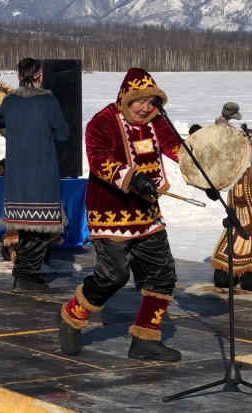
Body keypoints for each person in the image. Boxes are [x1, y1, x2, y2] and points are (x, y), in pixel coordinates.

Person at [57, 67, 183, 362]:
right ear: (125, 98)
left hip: (147, 213)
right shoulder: (101, 122)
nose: (144, 108)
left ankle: (144, 338)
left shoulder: (155, 120)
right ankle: (72, 316)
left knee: (162, 274)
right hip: (110, 210)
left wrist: (197, 158)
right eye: (139, 101)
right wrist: (132, 177)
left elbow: (174, 146)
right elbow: (99, 159)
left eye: (151, 102)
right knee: (113, 276)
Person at [0, 58, 69, 293]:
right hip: (41, 171)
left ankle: (28, 275)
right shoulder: (48, 101)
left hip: (17, 174)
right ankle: (25, 274)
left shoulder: (11, 102)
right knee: (44, 226)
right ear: (40, 76)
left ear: (18, 78)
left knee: (25, 225)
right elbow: (63, 133)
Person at [212, 129, 252, 291]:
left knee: (251, 284)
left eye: (251, 146)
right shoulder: (234, 171)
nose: (246, 151)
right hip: (236, 233)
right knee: (221, 281)